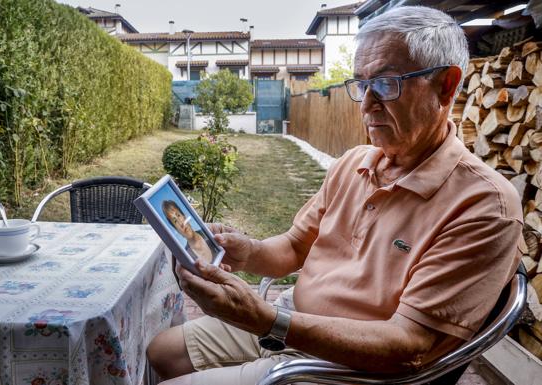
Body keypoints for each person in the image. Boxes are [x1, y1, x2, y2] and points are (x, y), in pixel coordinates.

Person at [147, 6, 523, 385]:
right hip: (290, 323)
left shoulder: (484, 205)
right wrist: (246, 250)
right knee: (160, 352)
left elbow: (410, 345)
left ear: (445, 85)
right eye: (362, 84)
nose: (366, 104)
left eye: (387, 83)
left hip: (348, 369)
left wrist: (266, 320)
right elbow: (295, 247)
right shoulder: (354, 163)